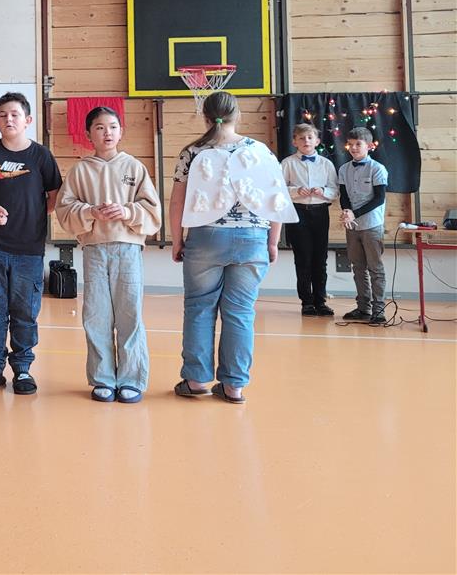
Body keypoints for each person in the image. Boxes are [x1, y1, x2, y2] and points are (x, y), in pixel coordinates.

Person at [170, 91, 296, 404]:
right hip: (252, 238)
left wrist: (177, 240)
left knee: (199, 307)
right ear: (237, 115)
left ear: (205, 117)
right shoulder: (260, 151)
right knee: (240, 312)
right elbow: (275, 199)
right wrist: (272, 241)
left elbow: (177, 202)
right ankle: (234, 386)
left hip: (206, 237)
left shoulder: (192, 152)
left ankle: (196, 380)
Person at [54, 106, 160, 403]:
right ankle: (102, 378)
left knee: (130, 313)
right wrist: (91, 212)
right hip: (95, 249)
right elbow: (64, 210)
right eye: (99, 128)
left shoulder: (134, 167)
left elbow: (152, 211)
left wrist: (127, 212)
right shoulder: (80, 171)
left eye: (112, 127)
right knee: (97, 314)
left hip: (128, 249)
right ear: (89, 134)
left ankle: (131, 379)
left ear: (120, 132)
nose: (107, 133)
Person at [0, 92, 61, 395]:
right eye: (3, 115)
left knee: (24, 312)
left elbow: (53, 196)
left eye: (15, 114)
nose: (9, 119)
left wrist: (32, 217)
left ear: (27, 120)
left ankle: (22, 369)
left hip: (29, 250)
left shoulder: (41, 156)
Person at [281, 123, 338, 316]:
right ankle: (306, 302)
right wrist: (295, 191)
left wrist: (323, 191)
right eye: (301, 138)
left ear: (317, 141)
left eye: (310, 137)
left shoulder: (326, 164)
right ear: (294, 142)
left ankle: (320, 301)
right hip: (298, 213)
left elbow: (335, 190)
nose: (306, 141)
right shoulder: (287, 163)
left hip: (320, 213)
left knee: (320, 259)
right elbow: (279, 189)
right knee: (303, 258)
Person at [337, 127, 390, 325]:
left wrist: (355, 213)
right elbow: (344, 196)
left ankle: (379, 310)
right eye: (350, 144)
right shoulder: (344, 169)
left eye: (358, 144)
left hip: (371, 225)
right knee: (358, 267)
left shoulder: (377, 168)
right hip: (352, 226)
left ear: (369, 146)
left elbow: (379, 198)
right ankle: (363, 308)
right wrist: (346, 211)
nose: (353, 148)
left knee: (375, 268)